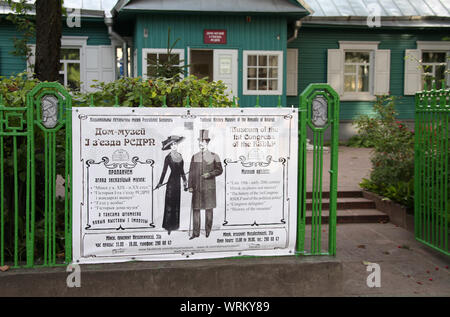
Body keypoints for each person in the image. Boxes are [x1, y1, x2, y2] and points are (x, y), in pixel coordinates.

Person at [188, 130, 223, 239]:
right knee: (196, 211)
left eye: (203, 143)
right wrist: (190, 186)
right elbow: (191, 172)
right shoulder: (194, 157)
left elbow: (220, 170)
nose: (201, 145)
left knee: (209, 210)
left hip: (209, 189)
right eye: (199, 143)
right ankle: (195, 233)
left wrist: (210, 174)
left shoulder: (214, 156)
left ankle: (208, 231)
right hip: (197, 188)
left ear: (207, 143)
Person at [155, 135, 187, 235]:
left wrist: (185, 183)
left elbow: (182, 171)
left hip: (178, 184)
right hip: (170, 184)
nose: (174, 146)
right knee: (170, 205)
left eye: (176, 144)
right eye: (172, 144)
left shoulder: (180, 156)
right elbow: (164, 172)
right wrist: (160, 182)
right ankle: (168, 227)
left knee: (176, 205)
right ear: (170, 146)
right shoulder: (168, 157)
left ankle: (175, 226)